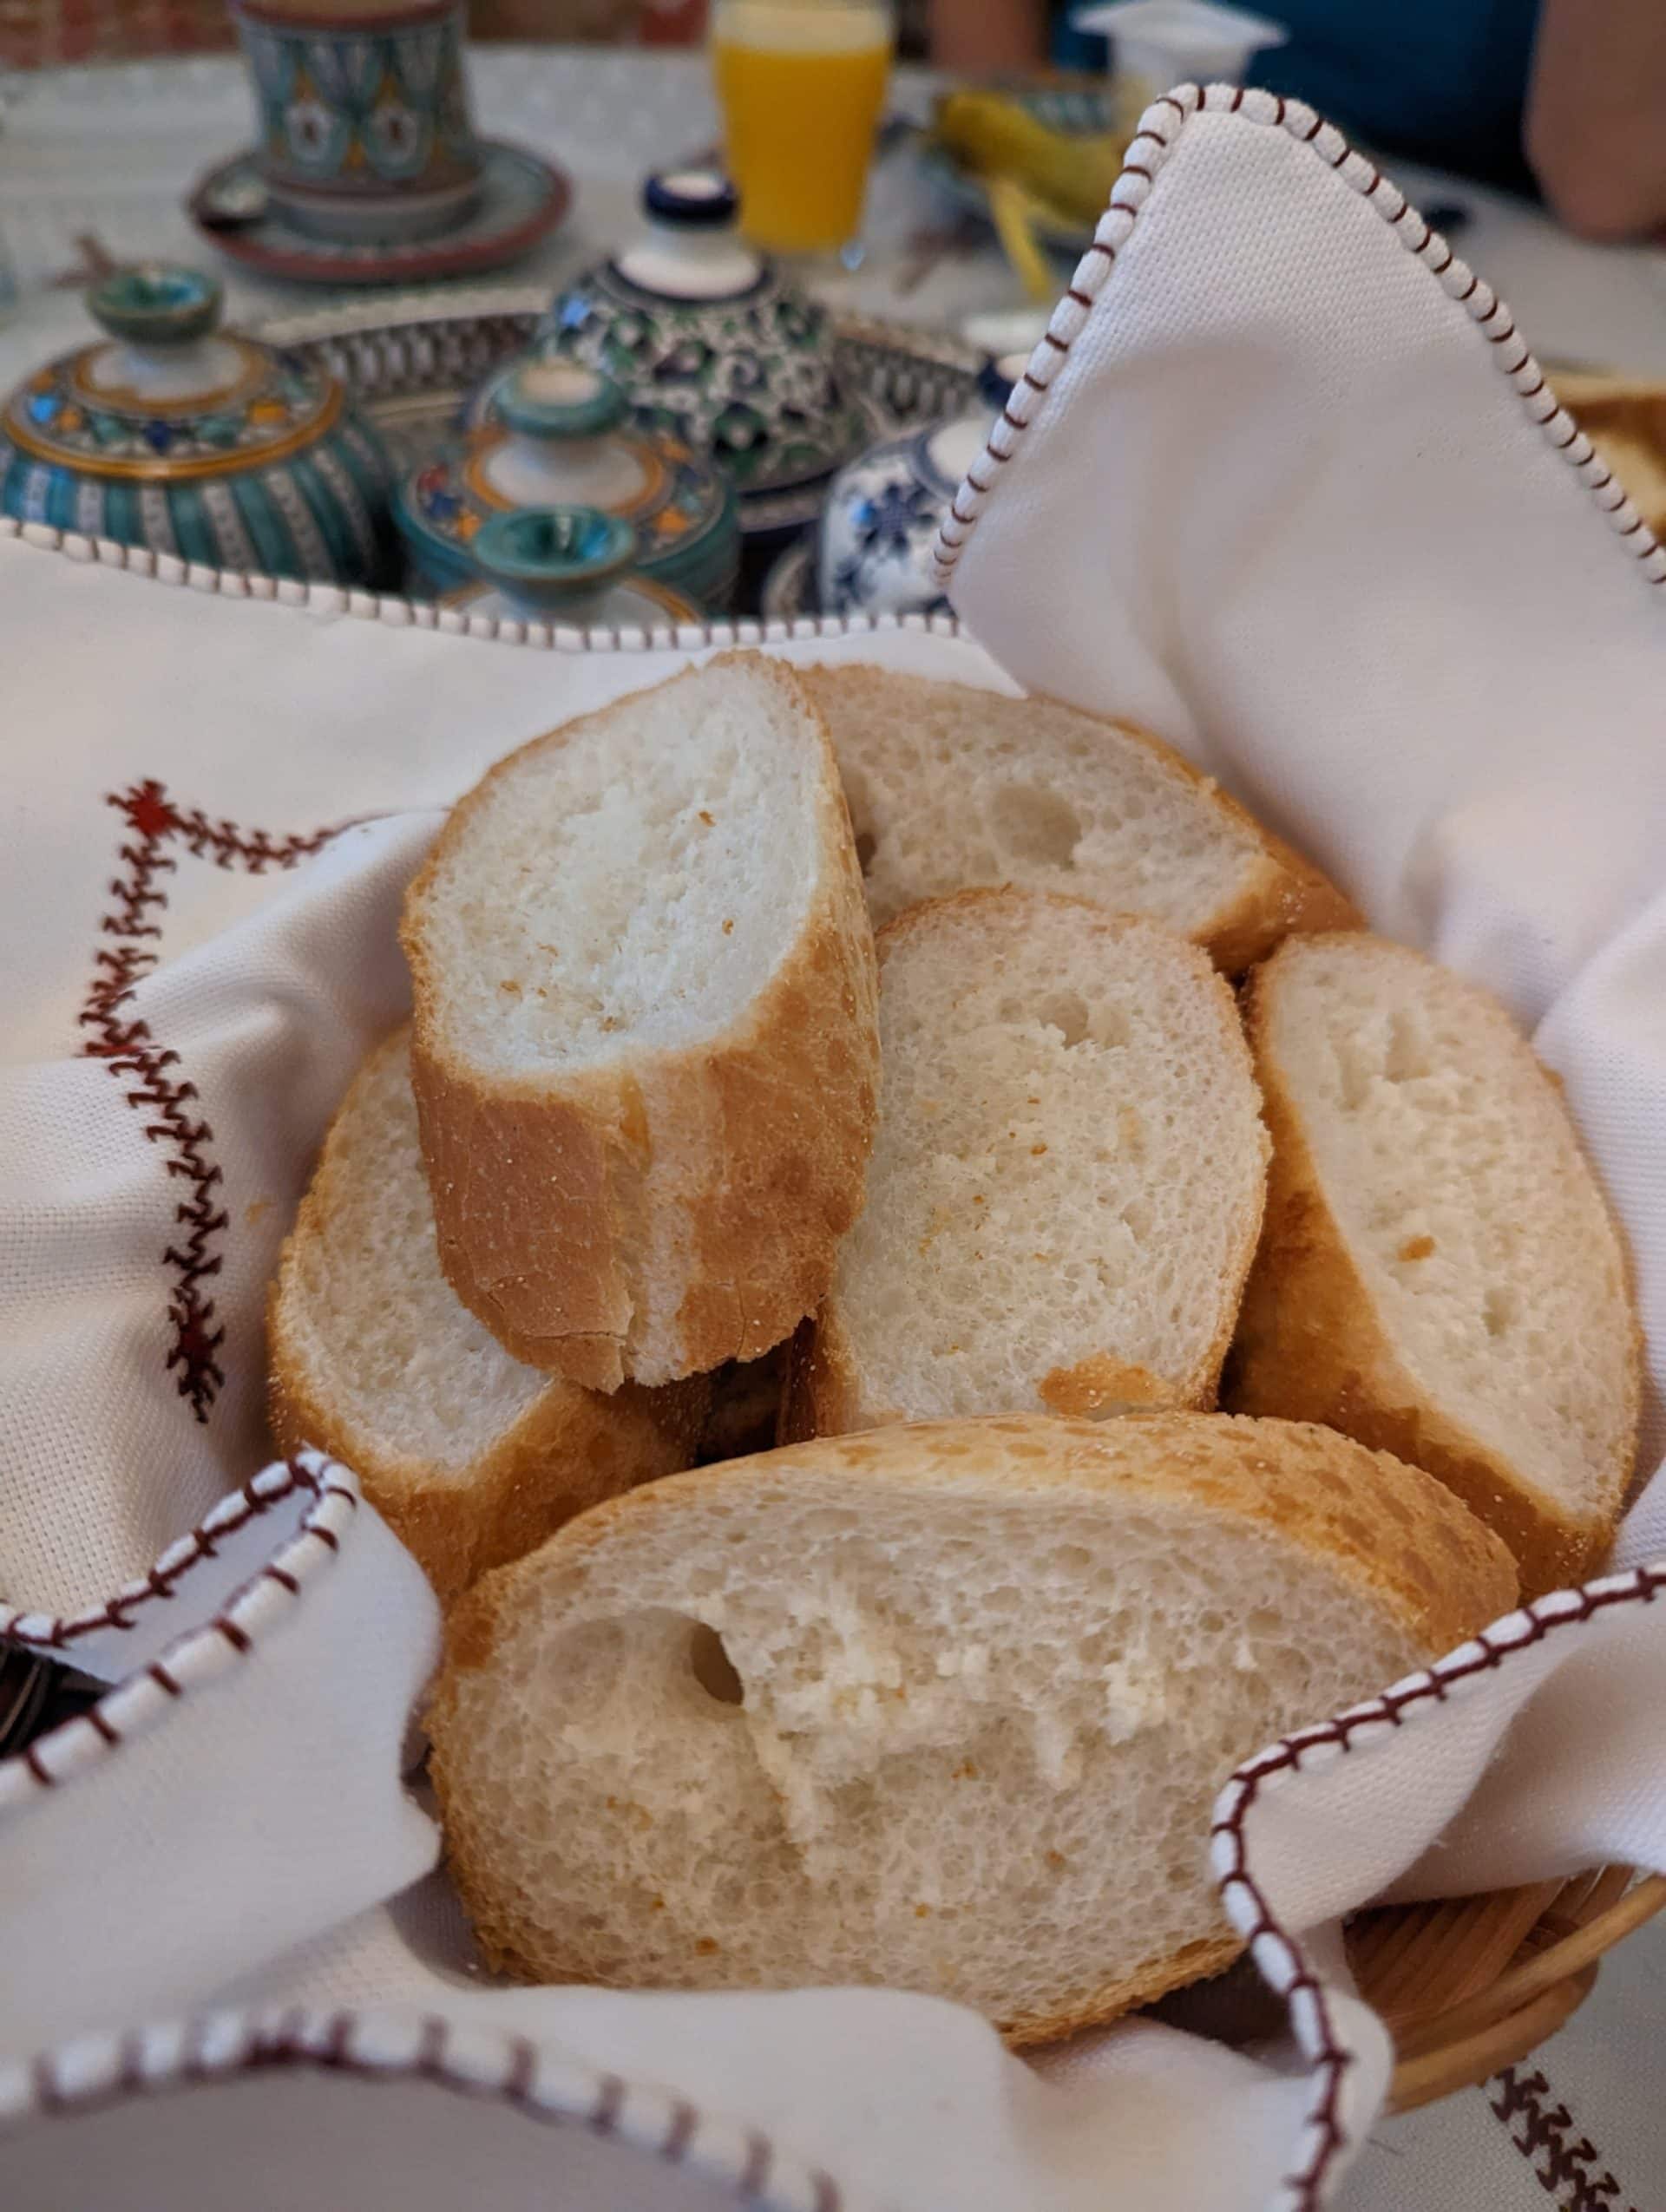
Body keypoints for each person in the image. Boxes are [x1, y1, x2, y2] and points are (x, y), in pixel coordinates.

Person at [928, 0, 1666, 239]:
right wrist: (990, 135)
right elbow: (981, 79)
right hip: (1053, 221)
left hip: (1435, 257)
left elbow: (1601, 179)